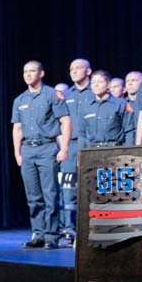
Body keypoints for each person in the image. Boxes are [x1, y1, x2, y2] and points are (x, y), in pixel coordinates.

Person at [12, 61, 71, 249]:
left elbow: (66, 121)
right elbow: (17, 129)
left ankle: (52, 236)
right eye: (25, 71)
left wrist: (64, 148)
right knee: (33, 196)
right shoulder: (20, 100)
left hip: (47, 148)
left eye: (32, 71)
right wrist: (17, 153)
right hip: (28, 150)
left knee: (50, 195)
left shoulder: (52, 95)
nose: (28, 75)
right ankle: (38, 234)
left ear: (42, 73)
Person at [59, 58, 92, 244]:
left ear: (88, 71)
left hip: (89, 144)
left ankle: (89, 229)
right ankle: (70, 231)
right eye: (72, 68)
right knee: (68, 189)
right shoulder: (66, 95)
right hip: (70, 146)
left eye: (79, 68)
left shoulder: (94, 92)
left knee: (90, 188)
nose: (74, 71)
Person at [78, 70, 126, 147]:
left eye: (99, 82)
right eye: (93, 83)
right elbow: (82, 133)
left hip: (115, 149)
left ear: (108, 84)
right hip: (92, 150)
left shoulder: (120, 104)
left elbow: (129, 130)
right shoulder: (86, 106)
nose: (95, 85)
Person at [123, 71, 142, 145]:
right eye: (127, 81)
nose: (129, 83)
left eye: (133, 80)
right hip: (127, 142)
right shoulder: (121, 104)